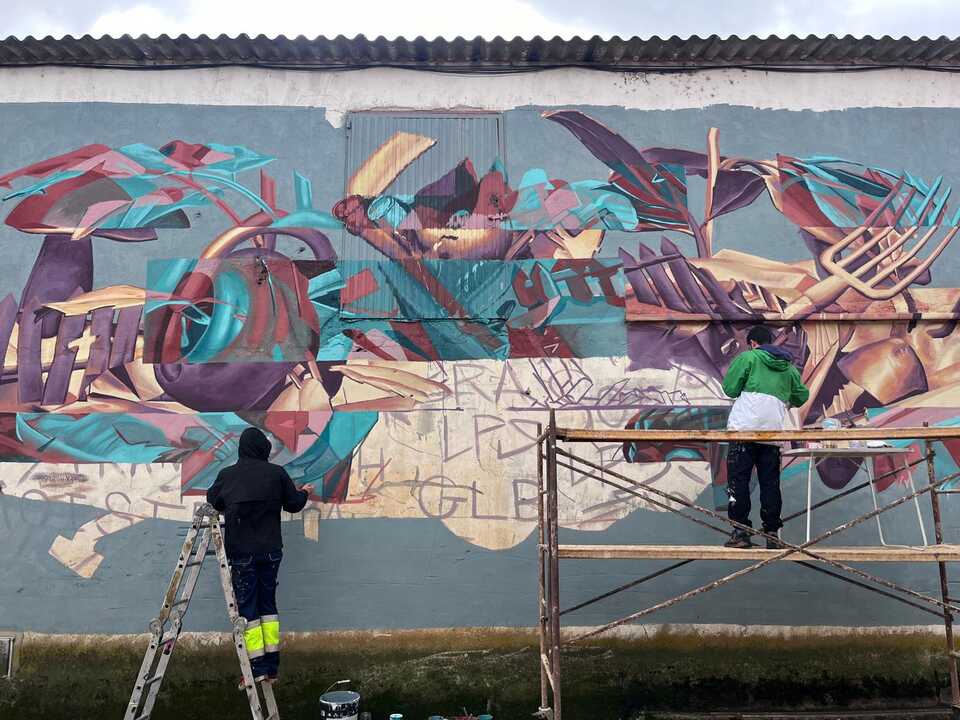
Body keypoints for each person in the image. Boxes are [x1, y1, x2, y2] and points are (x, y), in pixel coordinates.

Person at [206, 427, 315, 683]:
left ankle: (256, 668)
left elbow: (214, 500)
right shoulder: (276, 474)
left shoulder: (228, 475)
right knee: (268, 606)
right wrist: (306, 491)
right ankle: (272, 667)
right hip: (270, 552)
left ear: (242, 448)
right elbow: (294, 504)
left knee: (247, 609)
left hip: (241, 553)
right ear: (264, 449)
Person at [721, 325, 809, 549]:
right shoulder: (788, 369)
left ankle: (740, 532)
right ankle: (771, 532)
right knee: (770, 483)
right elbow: (801, 397)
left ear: (752, 343)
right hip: (771, 433)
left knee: (738, 482)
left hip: (743, 431)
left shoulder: (749, 358)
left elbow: (730, 389)